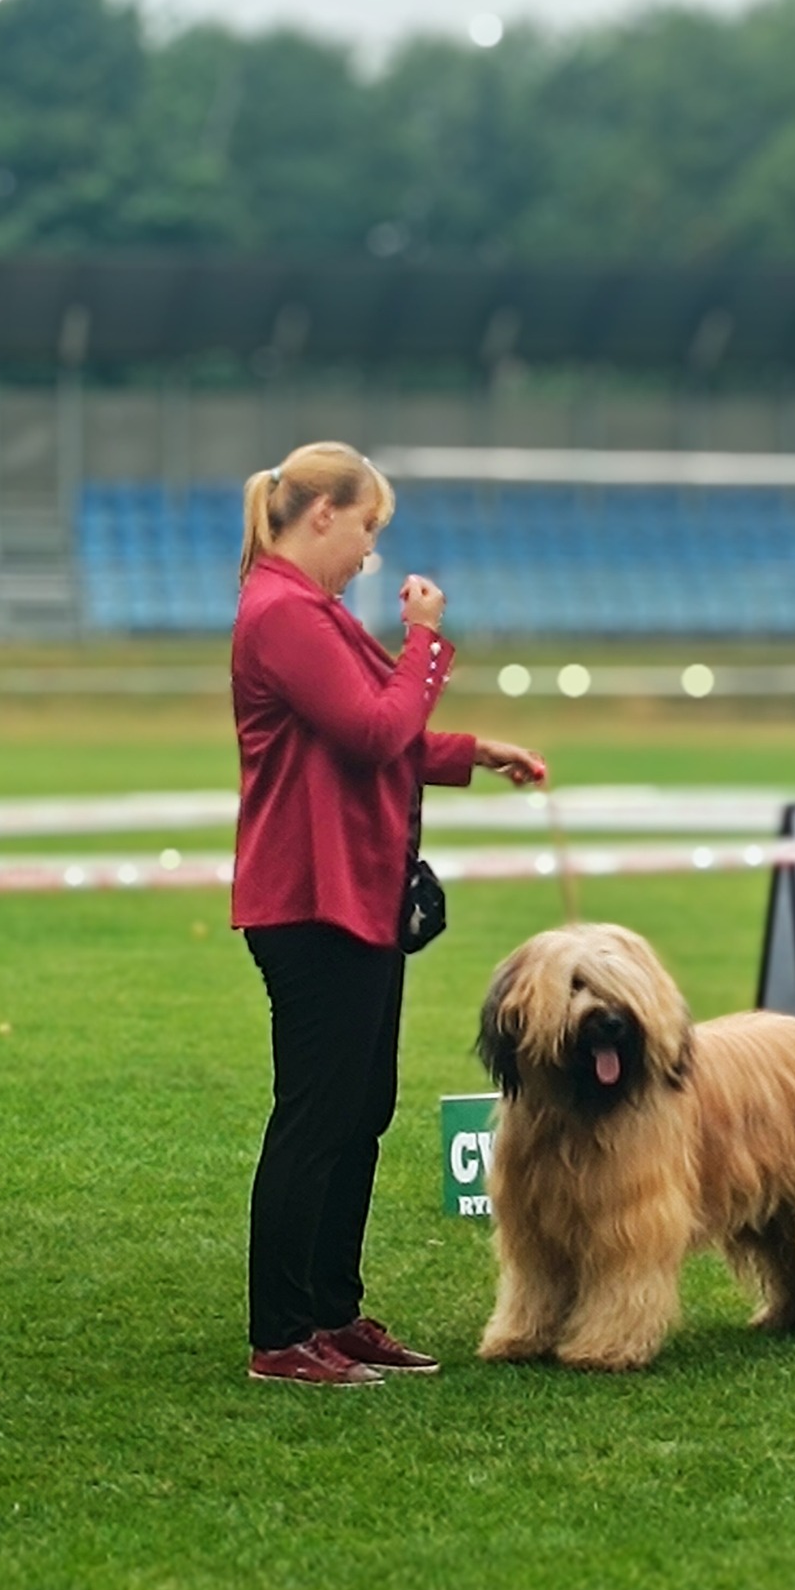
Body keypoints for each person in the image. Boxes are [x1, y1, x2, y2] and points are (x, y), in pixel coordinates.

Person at [231, 440, 546, 1385]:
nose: (369, 552)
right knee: (317, 1116)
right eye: (366, 528)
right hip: (312, 896)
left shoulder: (310, 612)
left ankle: (331, 1312)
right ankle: (283, 1332)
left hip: (352, 893)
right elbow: (375, 732)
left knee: (357, 1111)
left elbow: (375, 729)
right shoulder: (284, 613)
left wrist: (470, 750)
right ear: (322, 512)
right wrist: (424, 639)